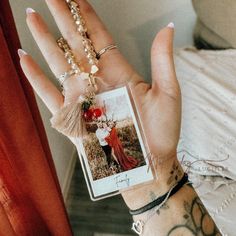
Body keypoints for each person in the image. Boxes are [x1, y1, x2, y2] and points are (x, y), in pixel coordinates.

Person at [19, 1, 221, 235]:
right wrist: (158, 178)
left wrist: (157, 177)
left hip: (118, 145)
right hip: (113, 145)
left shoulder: (110, 125)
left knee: (120, 153)